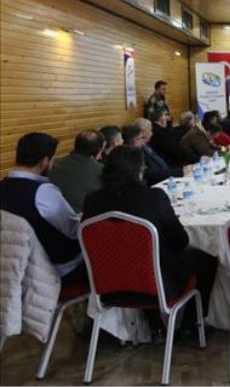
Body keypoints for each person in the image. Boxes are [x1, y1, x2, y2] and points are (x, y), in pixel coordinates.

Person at [82, 146, 218, 333]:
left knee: (140, 258)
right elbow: (180, 241)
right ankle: (191, 325)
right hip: (157, 284)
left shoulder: (91, 201)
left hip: (108, 285)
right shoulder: (154, 197)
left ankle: (155, 325)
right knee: (207, 260)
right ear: (139, 170)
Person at [0, 133, 86, 285]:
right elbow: (73, 231)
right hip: (53, 269)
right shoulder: (44, 192)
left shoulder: (2, 186)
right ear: (44, 161)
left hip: (13, 265)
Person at [49, 129, 105, 212]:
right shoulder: (103, 171)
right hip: (82, 217)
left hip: (51, 213)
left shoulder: (53, 164)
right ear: (99, 150)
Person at [123, 119, 182, 185]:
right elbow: (149, 173)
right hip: (158, 182)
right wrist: (178, 172)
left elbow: (162, 160)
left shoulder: (147, 145)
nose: (152, 133)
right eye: (150, 130)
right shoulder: (135, 153)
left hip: (168, 176)